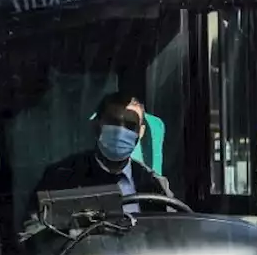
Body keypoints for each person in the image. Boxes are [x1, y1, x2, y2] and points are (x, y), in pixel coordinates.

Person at [29, 91, 172, 219]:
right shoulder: (60, 178)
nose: (120, 130)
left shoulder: (155, 185)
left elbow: (176, 232)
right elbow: (33, 232)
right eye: (113, 122)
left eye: (129, 125)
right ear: (96, 126)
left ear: (140, 133)